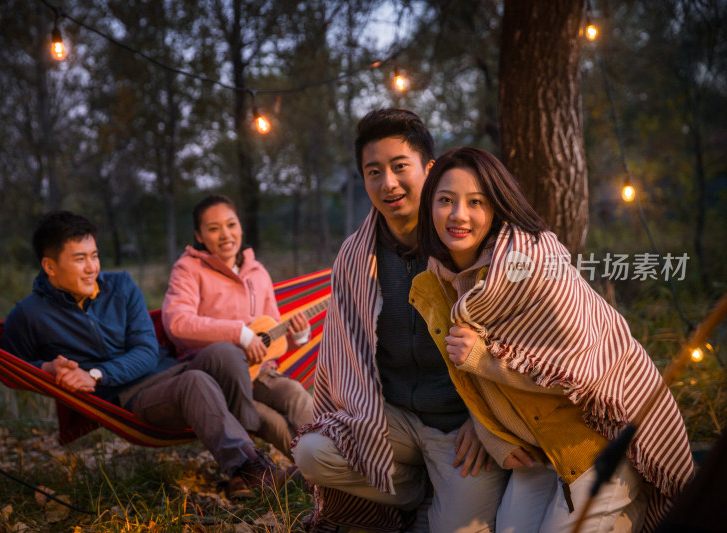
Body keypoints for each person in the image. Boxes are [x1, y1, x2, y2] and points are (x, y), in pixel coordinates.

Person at [410, 147, 695, 532]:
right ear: (430, 207)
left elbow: (584, 370)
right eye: (446, 200)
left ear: (496, 209)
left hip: (602, 437)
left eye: (475, 202)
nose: (458, 215)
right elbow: (473, 386)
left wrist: (483, 358)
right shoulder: (439, 283)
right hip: (542, 449)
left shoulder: (535, 265)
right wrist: (494, 438)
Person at [291, 109, 507, 533]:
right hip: (391, 420)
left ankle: (439, 498)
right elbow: (344, 353)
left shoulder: (464, 239)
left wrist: (484, 419)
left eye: (399, 167)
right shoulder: (355, 256)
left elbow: (511, 336)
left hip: (459, 427)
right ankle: (414, 490)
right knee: (312, 453)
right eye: (374, 171)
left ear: (429, 169)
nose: (387, 183)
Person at [2, 210, 291, 499]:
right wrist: (47, 369)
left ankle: (246, 467)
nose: (92, 268)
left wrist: (95, 374)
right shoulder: (29, 316)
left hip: (169, 369)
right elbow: (11, 367)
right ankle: (253, 470)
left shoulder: (120, 287)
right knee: (196, 382)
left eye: (94, 255)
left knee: (227, 352)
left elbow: (146, 351)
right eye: (80, 259)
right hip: (129, 399)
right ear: (49, 266)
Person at [162, 194, 314, 461]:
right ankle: (324, 474)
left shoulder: (258, 273)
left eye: (231, 225)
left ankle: (340, 460)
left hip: (260, 372)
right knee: (270, 421)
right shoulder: (188, 269)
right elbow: (177, 323)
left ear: (241, 227)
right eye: (213, 228)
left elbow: (271, 340)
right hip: (217, 376)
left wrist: (298, 337)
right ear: (199, 235)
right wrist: (240, 334)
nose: (225, 235)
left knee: (297, 396)